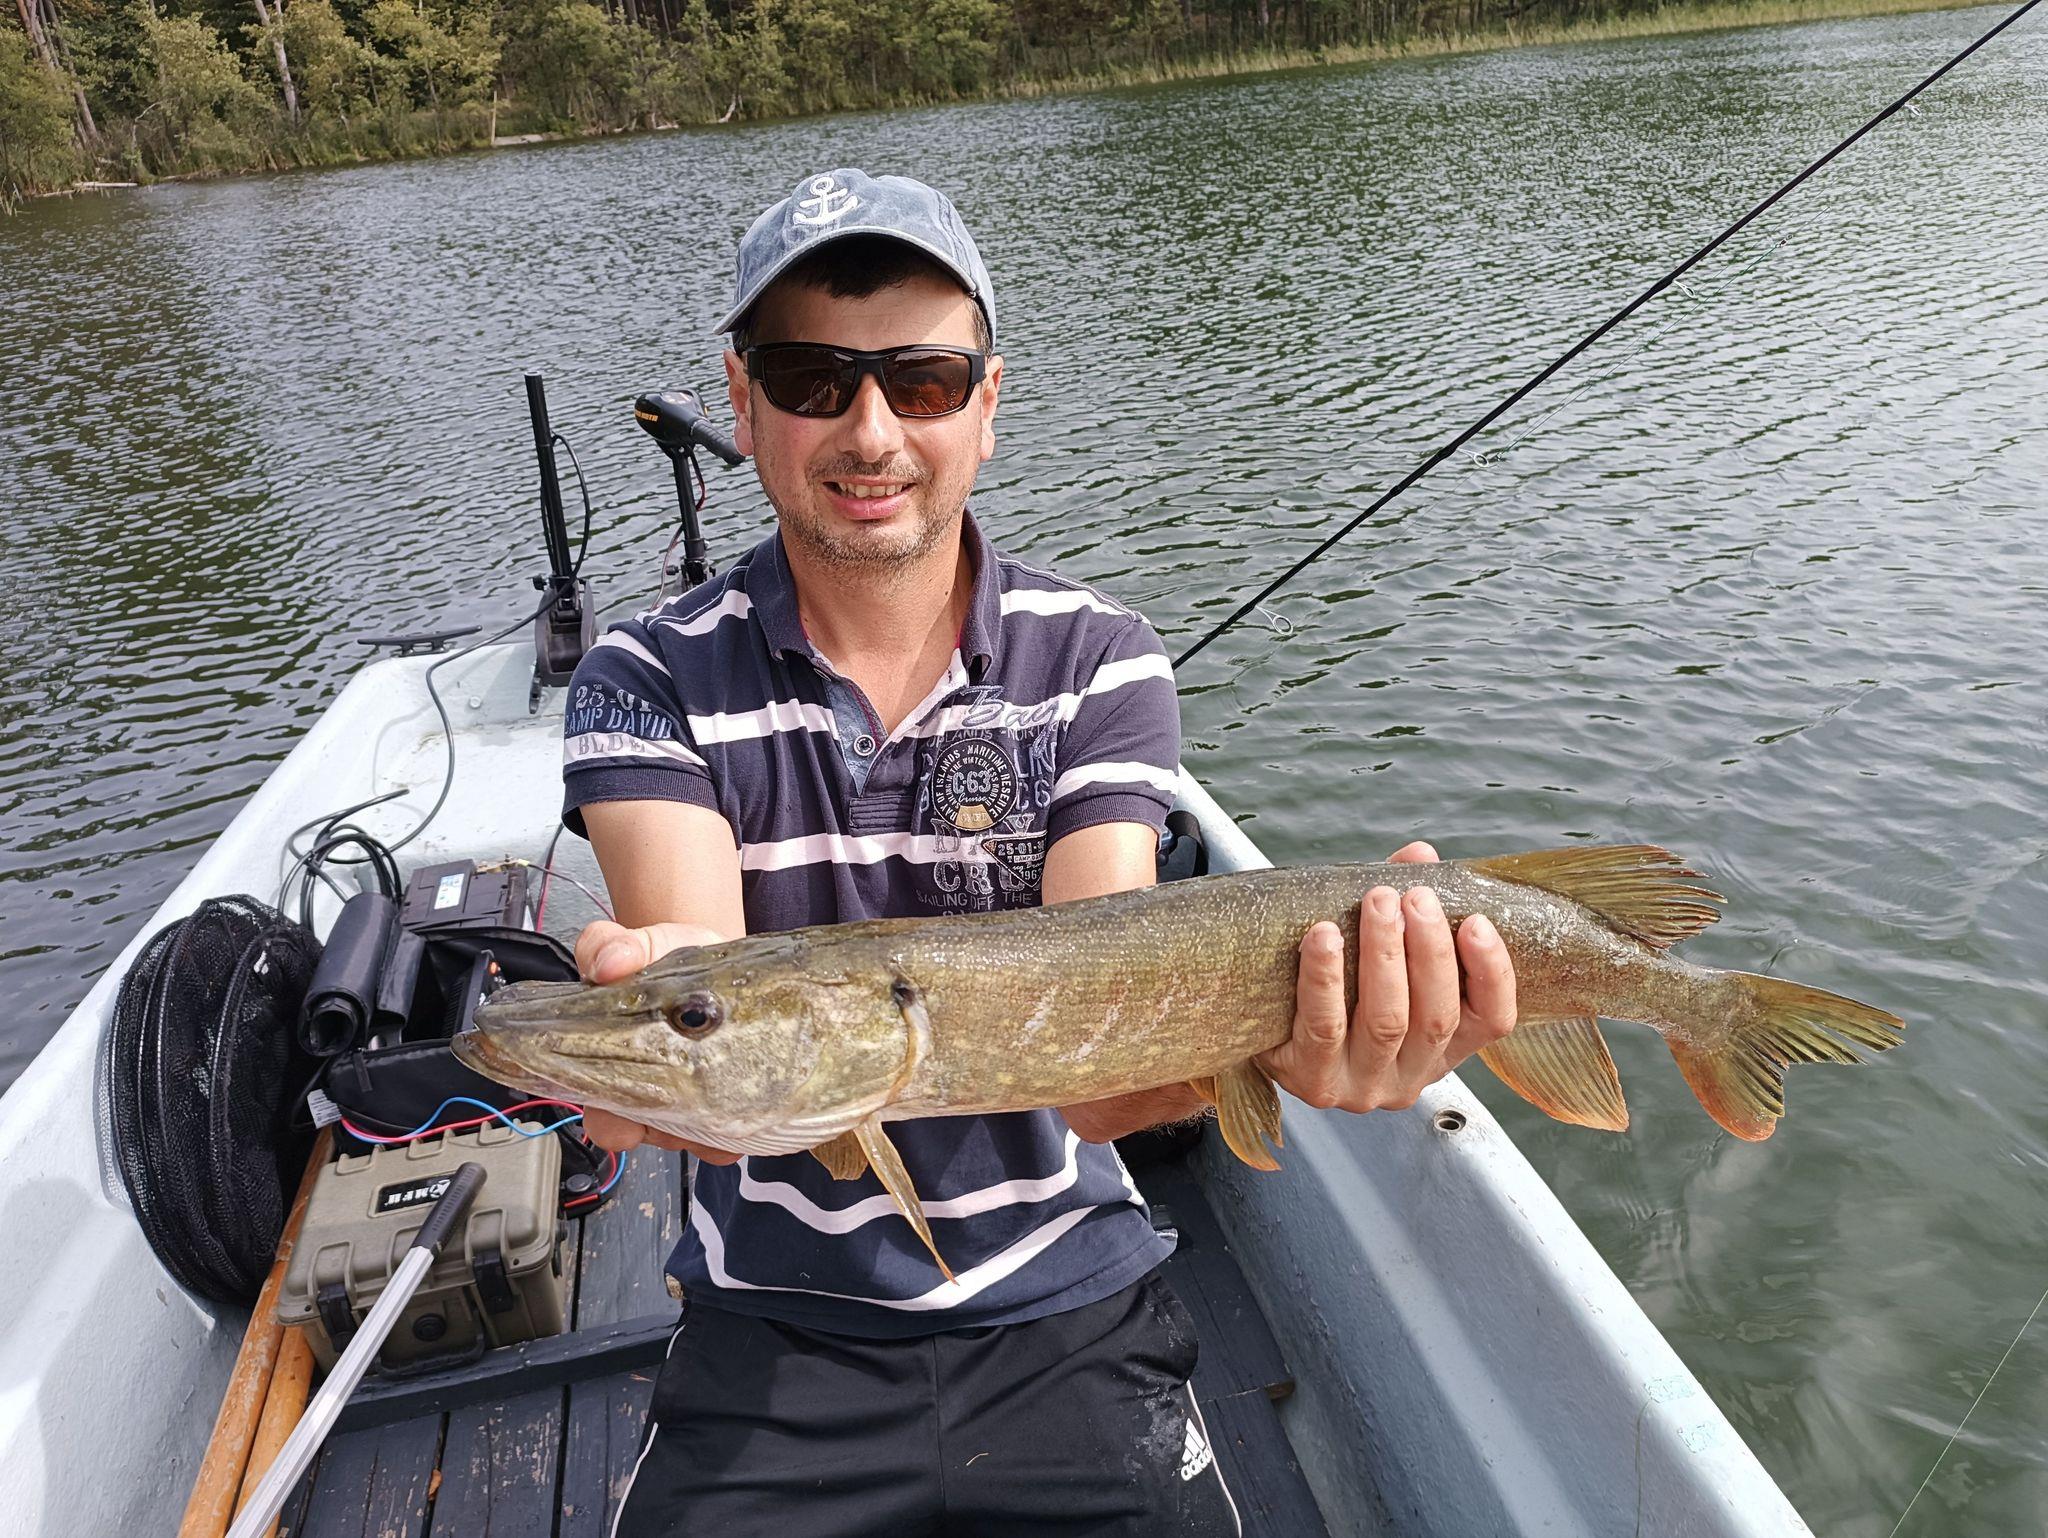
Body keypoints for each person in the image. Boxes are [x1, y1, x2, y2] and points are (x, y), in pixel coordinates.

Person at [560, 168, 1518, 1537]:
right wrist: (656, 1030)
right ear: (743, 401)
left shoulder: (1101, 659)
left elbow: (1102, 1081)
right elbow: (713, 996)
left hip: (1066, 1292)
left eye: (924, 380)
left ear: (987, 404)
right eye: (810, 378)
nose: (871, 431)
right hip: (777, 1320)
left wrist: (1277, 1053)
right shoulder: (643, 674)